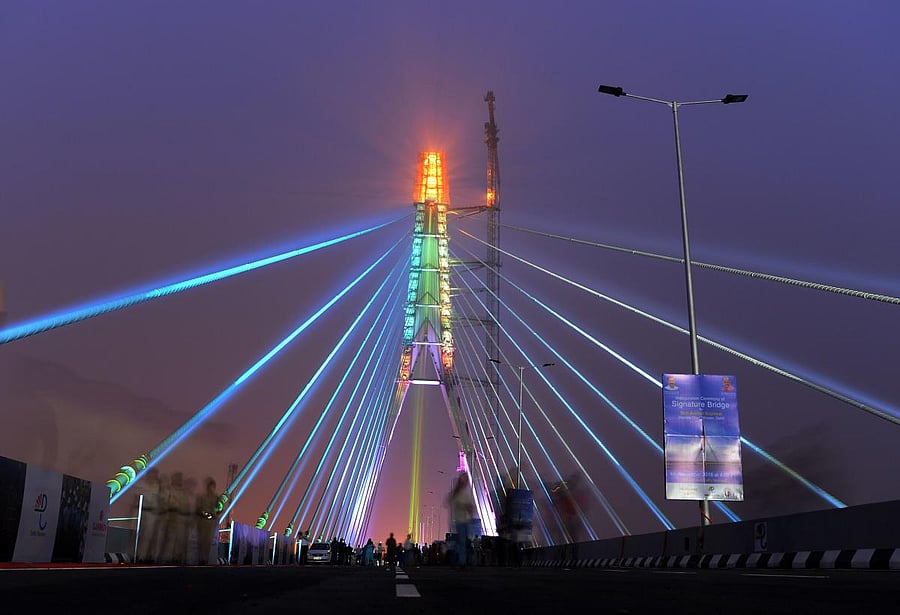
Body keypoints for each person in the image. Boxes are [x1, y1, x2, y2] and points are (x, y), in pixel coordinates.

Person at [447, 471, 475, 568]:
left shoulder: (465, 493)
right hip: (460, 520)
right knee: (462, 541)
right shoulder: (458, 493)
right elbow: (451, 502)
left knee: (461, 541)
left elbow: (471, 506)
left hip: (465, 520)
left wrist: (470, 513)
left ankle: (458, 560)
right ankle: (461, 561)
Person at [195, 477, 219, 565]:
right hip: (202, 521)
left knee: (208, 541)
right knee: (201, 540)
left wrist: (215, 514)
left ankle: (205, 559)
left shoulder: (216, 498)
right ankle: (201, 558)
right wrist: (205, 514)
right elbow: (197, 508)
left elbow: (219, 509)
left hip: (210, 522)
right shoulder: (202, 497)